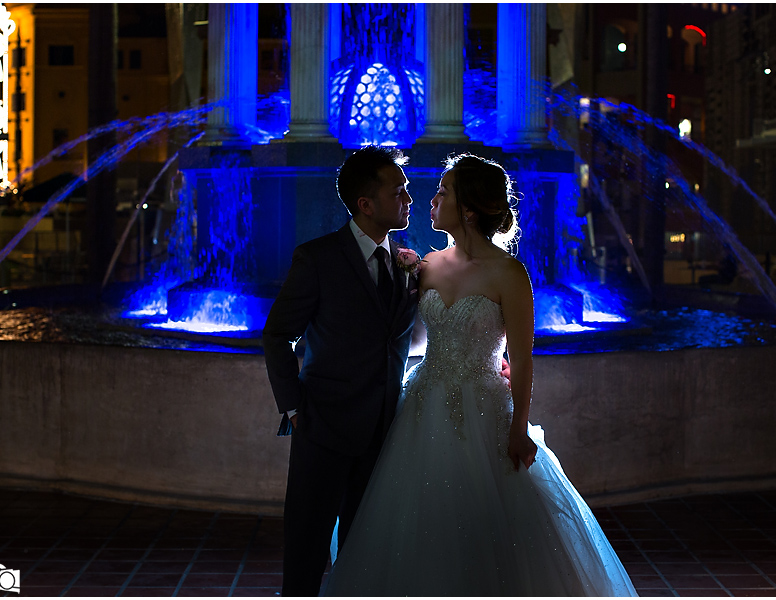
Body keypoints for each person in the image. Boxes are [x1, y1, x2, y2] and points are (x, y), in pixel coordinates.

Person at [324, 154, 637, 596]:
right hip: (422, 405)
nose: (430, 198)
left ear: (468, 209)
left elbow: (524, 360)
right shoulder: (426, 266)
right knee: (415, 523)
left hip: (487, 410)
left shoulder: (509, 274)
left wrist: (517, 428)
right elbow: (411, 339)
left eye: (443, 191)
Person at [262, 146, 422, 596]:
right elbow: (277, 335)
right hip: (323, 428)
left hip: (385, 433)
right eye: (399, 191)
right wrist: (294, 409)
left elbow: (406, 338)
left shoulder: (406, 263)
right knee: (307, 552)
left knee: (364, 552)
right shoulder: (317, 258)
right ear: (365, 204)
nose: (408, 198)